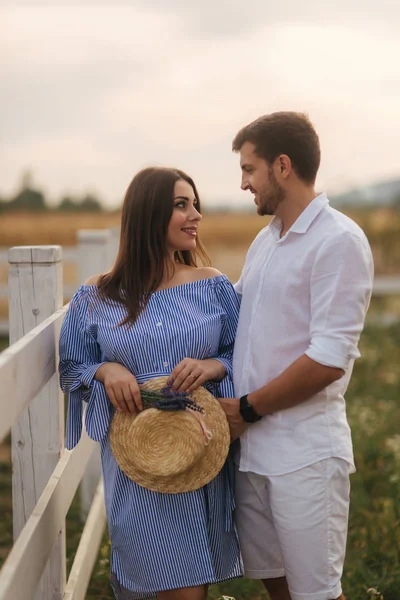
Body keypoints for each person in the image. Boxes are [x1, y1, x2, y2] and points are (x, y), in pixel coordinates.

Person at [59, 166, 242, 600]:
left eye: (195, 204)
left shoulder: (212, 286)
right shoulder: (97, 295)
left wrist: (213, 367)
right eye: (181, 205)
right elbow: (70, 367)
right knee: (148, 578)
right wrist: (104, 370)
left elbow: (244, 353)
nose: (195, 214)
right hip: (136, 462)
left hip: (197, 454)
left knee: (187, 588)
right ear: (148, 214)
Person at [218, 112, 374, 600]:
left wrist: (244, 409)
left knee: (317, 593)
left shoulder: (338, 240)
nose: (244, 183)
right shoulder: (266, 241)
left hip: (305, 454)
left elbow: (328, 358)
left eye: (249, 169)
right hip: (254, 453)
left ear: (282, 166)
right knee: (277, 584)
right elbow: (234, 320)